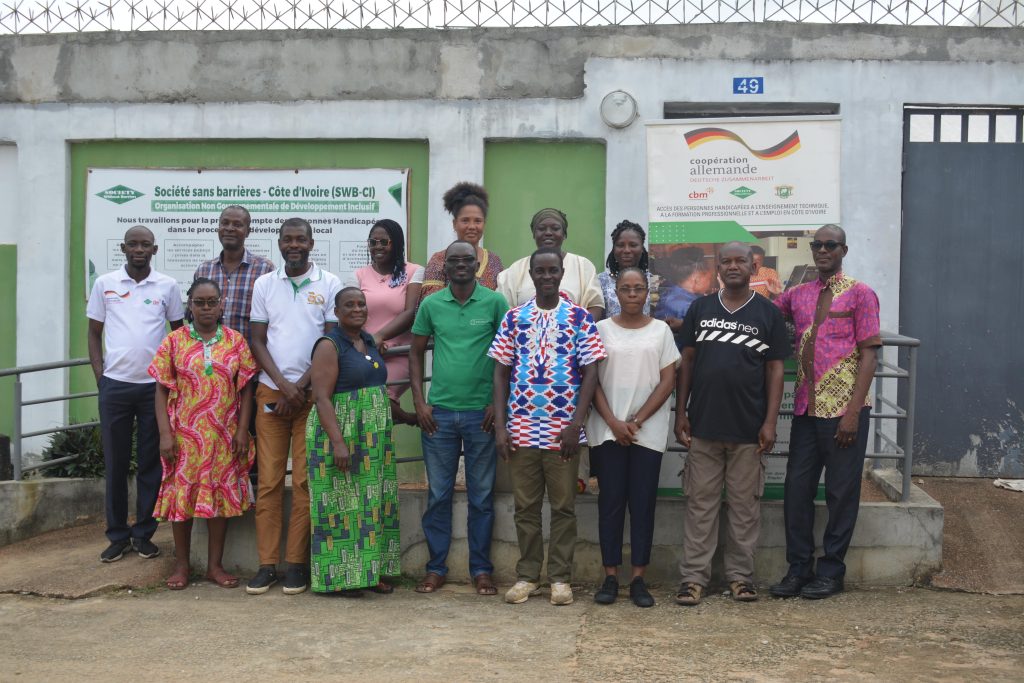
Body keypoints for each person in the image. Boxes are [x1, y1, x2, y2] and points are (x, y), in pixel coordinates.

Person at [673, 242, 790, 606]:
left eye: (742, 260)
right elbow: (687, 362)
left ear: (754, 268)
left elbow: (775, 370)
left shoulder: (767, 314)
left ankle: (740, 578)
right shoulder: (700, 308)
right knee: (700, 505)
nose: (734, 266)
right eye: (727, 261)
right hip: (704, 427)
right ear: (718, 268)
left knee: (743, 508)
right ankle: (693, 579)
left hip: (748, 430)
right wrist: (681, 412)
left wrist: (770, 422)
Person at [489, 247, 607, 606]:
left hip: (563, 432)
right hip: (522, 428)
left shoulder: (579, 318)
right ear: (531, 275)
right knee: (525, 507)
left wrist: (576, 424)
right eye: (539, 271)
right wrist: (501, 427)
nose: (546, 276)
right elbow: (500, 371)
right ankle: (527, 576)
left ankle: (559, 578)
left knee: (563, 507)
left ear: (561, 273)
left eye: (552, 271)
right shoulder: (514, 318)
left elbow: (591, 371)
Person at [769, 225, 880, 600]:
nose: (822, 250)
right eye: (816, 245)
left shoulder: (861, 294)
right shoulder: (797, 295)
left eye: (829, 245)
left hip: (844, 412)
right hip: (805, 409)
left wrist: (852, 413)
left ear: (843, 250)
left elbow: (869, 354)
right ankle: (799, 568)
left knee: (840, 493)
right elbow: (763, 315)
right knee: (796, 490)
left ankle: (831, 572)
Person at [246, 217, 342, 596]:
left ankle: (296, 565)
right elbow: (257, 340)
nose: (294, 245)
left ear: (312, 243)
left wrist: (301, 387)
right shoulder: (265, 284)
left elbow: (331, 342)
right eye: (288, 239)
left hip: (310, 399)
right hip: (272, 394)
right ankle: (266, 564)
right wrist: (283, 386)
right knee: (268, 482)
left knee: (304, 482)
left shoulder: (329, 283)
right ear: (280, 243)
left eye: (301, 239)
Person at [409, 241, 508, 596]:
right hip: (440, 415)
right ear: (445, 267)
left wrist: (500, 406)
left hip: (482, 414)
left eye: (468, 260)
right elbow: (416, 353)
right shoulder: (432, 304)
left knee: (482, 496)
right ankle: (435, 569)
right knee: (438, 494)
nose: (462, 265)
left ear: (477, 266)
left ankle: (481, 570)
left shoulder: (495, 302)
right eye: (455, 261)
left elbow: (506, 356)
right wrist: (419, 401)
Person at [149, 277, 257, 590]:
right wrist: (164, 434)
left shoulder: (235, 341)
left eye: (212, 302)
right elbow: (160, 391)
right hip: (184, 435)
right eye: (200, 302)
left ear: (222, 304)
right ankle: (182, 566)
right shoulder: (174, 342)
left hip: (224, 435)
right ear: (190, 305)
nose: (206, 308)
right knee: (182, 498)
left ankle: (214, 566)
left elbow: (246, 390)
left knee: (218, 499)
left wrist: (241, 430)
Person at [87, 225, 185, 563]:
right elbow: (94, 333)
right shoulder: (105, 284)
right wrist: (101, 376)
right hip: (115, 386)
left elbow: (178, 335)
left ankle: (143, 533)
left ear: (154, 250)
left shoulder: (168, 286)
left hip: (153, 390)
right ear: (124, 248)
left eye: (145, 245)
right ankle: (116, 535)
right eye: (133, 244)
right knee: (114, 463)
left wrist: (174, 381)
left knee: (150, 464)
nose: (139, 249)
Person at [587, 267, 679, 608]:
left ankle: (639, 578)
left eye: (638, 288)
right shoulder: (599, 330)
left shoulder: (660, 332)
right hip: (607, 431)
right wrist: (613, 421)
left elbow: (668, 381)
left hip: (647, 432)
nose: (632, 294)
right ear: (616, 291)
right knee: (610, 504)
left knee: (642, 505)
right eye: (625, 288)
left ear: (647, 293)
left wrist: (635, 421)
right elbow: (591, 380)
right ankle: (610, 575)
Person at [306, 287, 400, 595]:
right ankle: (341, 578)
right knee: (341, 505)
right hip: (344, 431)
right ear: (336, 311)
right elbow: (321, 397)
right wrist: (338, 443)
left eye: (362, 304)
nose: (357, 309)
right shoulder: (329, 345)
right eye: (349, 305)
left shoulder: (368, 341)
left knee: (372, 503)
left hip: (372, 437)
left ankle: (369, 573)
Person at [348, 219, 422, 424]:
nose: (378, 247)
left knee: (377, 396)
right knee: (367, 404)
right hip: (366, 353)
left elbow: (410, 313)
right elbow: (351, 316)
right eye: (373, 242)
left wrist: (379, 337)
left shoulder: (414, 272)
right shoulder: (358, 275)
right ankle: (408, 420)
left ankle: (403, 424)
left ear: (396, 243)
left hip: (399, 353)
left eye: (384, 242)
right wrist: (368, 343)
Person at [496, 208, 604, 321]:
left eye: (555, 228)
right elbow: (504, 312)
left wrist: (575, 330)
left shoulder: (583, 266)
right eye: (541, 229)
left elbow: (595, 306)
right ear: (534, 234)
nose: (548, 233)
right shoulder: (516, 270)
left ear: (564, 234)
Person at [193, 205, 275, 344]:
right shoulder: (203, 271)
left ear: (248, 231)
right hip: (209, 359)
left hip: (249, 360)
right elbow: (193, 318)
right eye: (225, 223)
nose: (230, 228)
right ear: (218, 227)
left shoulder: (265, 269)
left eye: (237, 225)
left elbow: (274, 319)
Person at [419, 182, 505, 301]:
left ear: (484, 224)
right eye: (465, 221)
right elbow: (431, 304)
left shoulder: (495, 262)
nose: (472, 226)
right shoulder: (439, 260)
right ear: (454, 224)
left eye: (478, 221)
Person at [597, 220, 652, 317]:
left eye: (633, 245)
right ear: (614, 249)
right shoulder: (600, 282)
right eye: (620, 245)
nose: (626, 250)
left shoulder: (655, 281)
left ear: (642, 249)